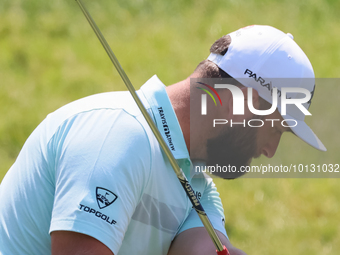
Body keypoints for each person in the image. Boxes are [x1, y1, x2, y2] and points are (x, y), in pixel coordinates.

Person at [0, 25, 325, 255]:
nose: (270, 151)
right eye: (275, 130)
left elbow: (198, 249)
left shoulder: (197, 183)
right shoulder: (119, 135)